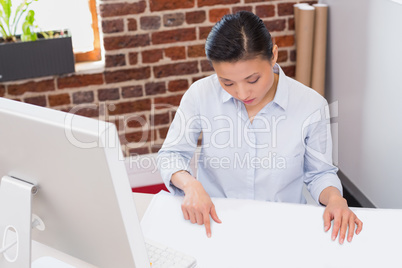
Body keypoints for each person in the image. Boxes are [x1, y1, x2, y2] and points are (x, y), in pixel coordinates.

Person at [157, 11, 362, 244]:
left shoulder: (311, 105)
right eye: (227, 82)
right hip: (215, 222)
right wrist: (190, 184)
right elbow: (171, 155)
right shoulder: (200, 94)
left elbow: (320, 173)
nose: (242, 93)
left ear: (273, 55)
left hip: (282, 228)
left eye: (253, 80)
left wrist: (335, 198)